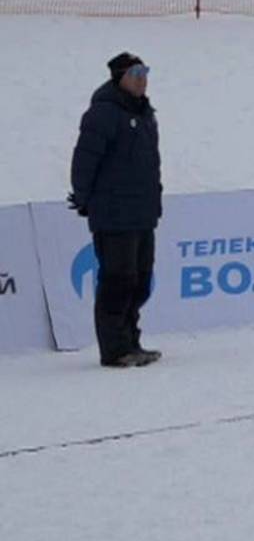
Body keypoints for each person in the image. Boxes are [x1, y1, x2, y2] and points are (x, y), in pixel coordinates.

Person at [70, 52, 165, 369]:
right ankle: (114, 349)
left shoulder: (146, 114)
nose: (142, 79)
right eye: (135, 73)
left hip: (142, 213)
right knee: (117, 280)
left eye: (145, 72)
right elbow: (85, 159)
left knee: (140, 280)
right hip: (113, 213)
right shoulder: (104, 113)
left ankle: (132, 342)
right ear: (119, 77)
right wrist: (83, 196)